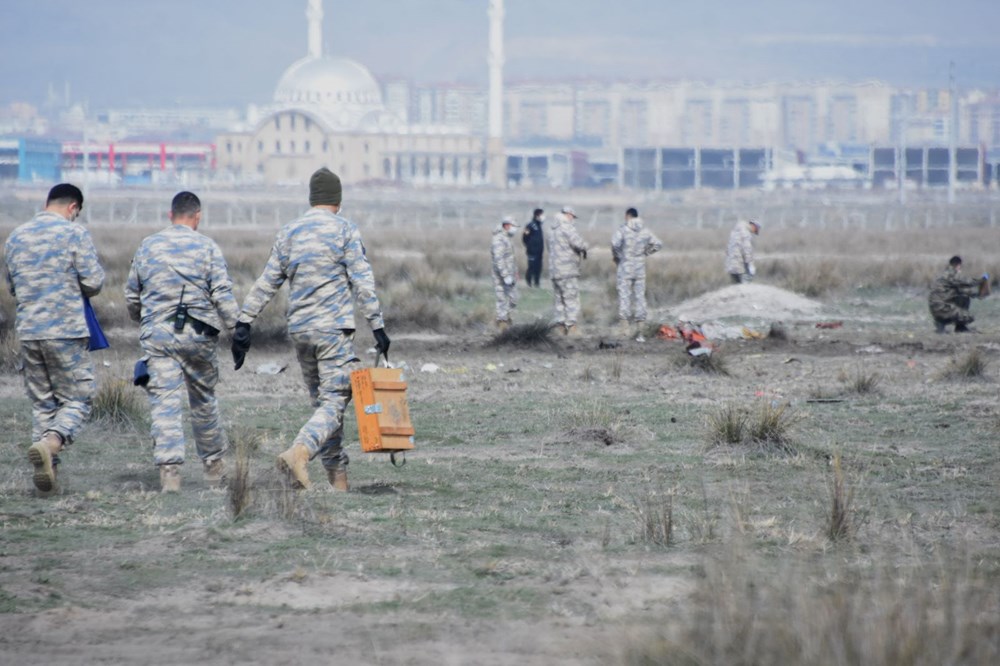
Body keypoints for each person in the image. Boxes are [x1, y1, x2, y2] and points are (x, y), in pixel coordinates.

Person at [233, 167, 390, 492]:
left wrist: (244, 322)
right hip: (332, 330)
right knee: (336, 399)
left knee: (324, 404)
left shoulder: (290, 231)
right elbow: (362, 282)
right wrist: (378, 326)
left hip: (300, 330)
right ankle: (299, 453)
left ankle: (339, 483)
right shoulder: (345, 230)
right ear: (338, 199)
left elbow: (267, 282)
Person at [124, 191, 240, 493]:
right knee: (203, 402)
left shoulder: (148, 246)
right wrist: (238, 331)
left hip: (159, 337)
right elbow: (223, 296)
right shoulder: (208, 247)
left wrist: (146, 319)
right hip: (199, 338)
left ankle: (170, 476)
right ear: (197, 216)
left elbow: (131, 297)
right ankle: (214, 470)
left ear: (170, 215)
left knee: (164, 404)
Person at [4, 183, 104, 493]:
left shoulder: (15, 237)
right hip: (65, 331)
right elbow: (94, 282)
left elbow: (13, 287)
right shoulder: (74, 234)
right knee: (79, 398)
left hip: (30, 332)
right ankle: (52, 443)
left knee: (43, 404)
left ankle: (49, 478)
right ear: (73, 207)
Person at [612, 208, 663, 342]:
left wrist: (618, 257)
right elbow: (658, 244)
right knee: (640, 298)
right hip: (640, 268)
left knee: (624, 296)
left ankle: (625, 330)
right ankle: (641, 329)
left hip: (625, 268)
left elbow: (614, 244)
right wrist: (645, 253)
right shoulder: (645, 231)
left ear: (627, 216)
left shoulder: (623, 230)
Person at [548, 205, 589, 336]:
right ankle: (571, 328)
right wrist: (586, 247)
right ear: (568, 215)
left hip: (555, 270)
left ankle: (559, 328)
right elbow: (578, 244)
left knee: (559, 299)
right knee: (571, 298)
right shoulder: (567, 228)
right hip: (567, 270)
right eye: (572, 216)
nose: (573, 219)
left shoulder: (552, 229)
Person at [928, 256, 989, 333]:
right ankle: (960, 326)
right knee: (968, 316)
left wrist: (977, 295)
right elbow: (968, 282)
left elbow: (962, 290)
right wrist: (983, 279)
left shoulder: (943, 275)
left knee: (962, 296)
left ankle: (941, 324)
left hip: (935, 310)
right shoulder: (951, 274)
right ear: (958, 265)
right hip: (942, 308)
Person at [491, 215, 519, 330]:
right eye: (514, 226)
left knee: (514, 298)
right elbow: (499, 259)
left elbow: (510, 257)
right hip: (501, 276)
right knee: (502, 299)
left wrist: (515, 272)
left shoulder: (506, 238)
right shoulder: (498, 239)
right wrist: (505, 275)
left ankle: (506, 319)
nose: (515, 229)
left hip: (510, 275)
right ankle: (502, 324)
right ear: (507, 225)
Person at [725, 219, 761, 283]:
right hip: (738, 264)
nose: (753, 232)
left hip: (730, 263)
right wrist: (749, 264)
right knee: (740, 285)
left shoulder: (735, 231)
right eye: (755, 230)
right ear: (754, 226)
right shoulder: (745, 233)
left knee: (734, 283)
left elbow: (727, 249)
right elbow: (747, 249)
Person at [522, 208, 545, 287]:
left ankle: (537, 283)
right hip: (532, 251)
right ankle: (529, 283)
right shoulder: (530, 225)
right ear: (537, 215)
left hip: (539, 251)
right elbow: (525, 237)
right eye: (542, 215)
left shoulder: (539, 225)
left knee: (538, 268)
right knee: (531, 267)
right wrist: (530, 246)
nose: (543, 216)